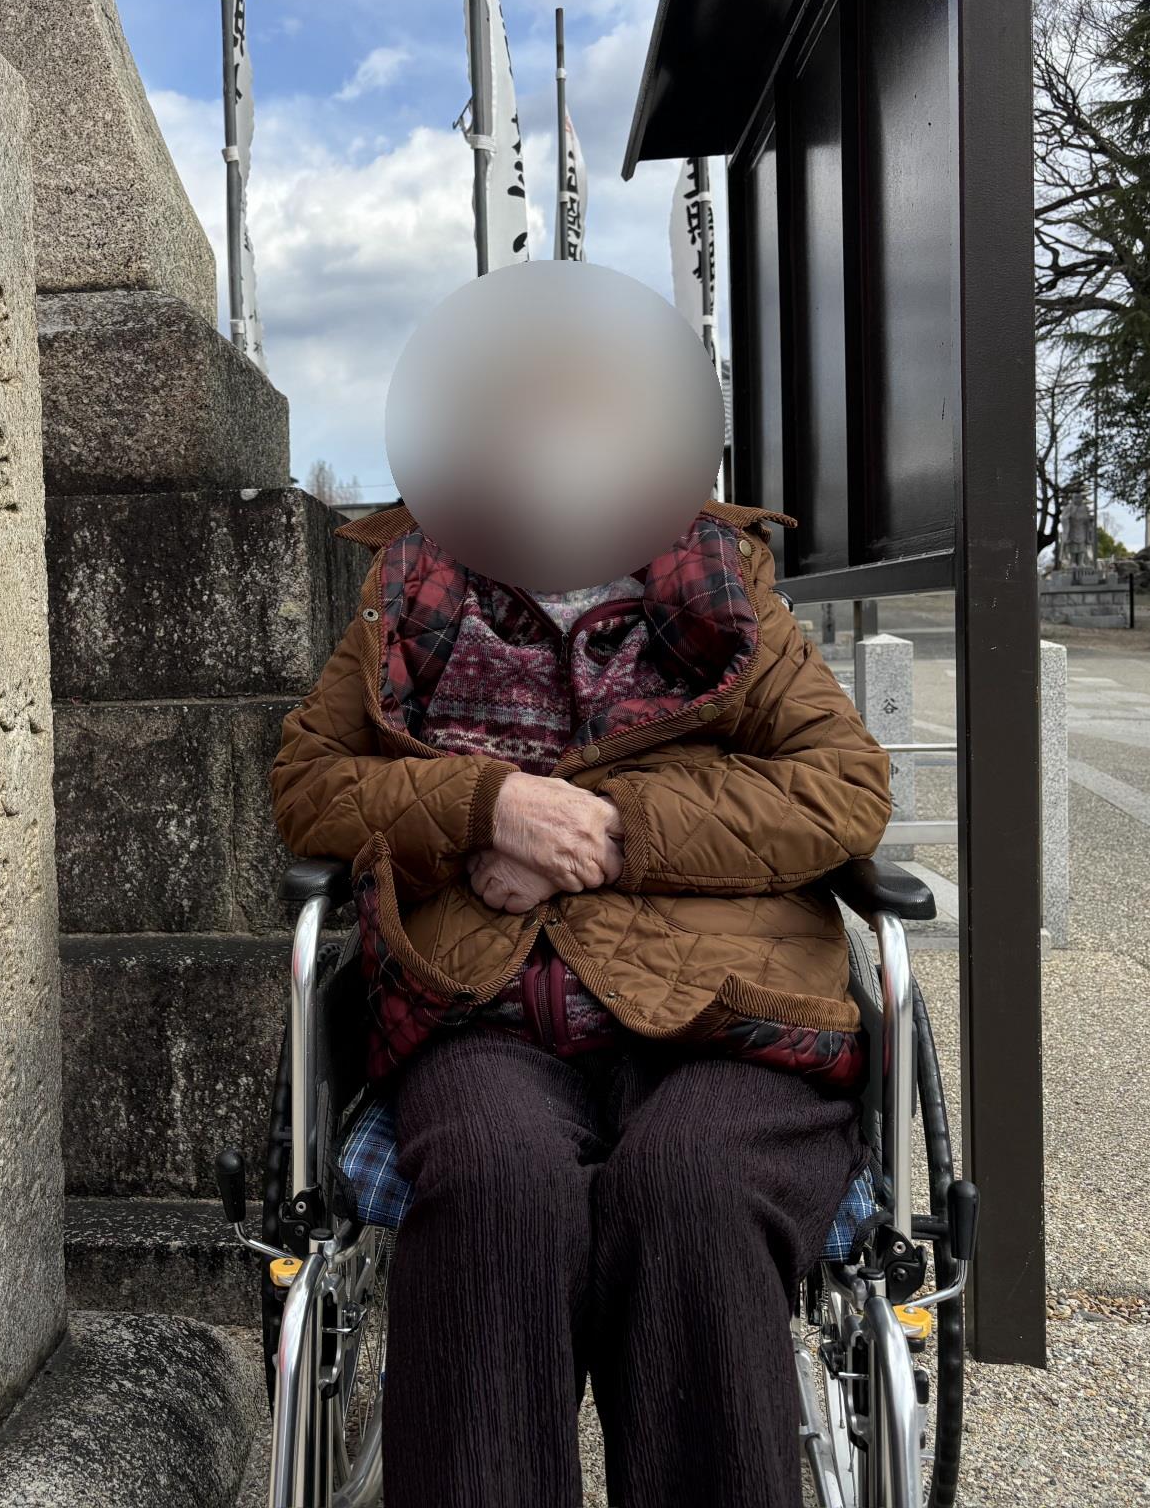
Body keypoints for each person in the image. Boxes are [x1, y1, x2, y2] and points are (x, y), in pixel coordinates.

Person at [269, 263, 892, 1508]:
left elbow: (842, 788)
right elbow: (310, 783)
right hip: (485, 1004)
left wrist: (608, 830)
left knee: (695, 1189)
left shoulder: (724, 593)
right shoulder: (411, 593)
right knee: (494, 1184)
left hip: (726, 1003)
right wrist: (484, 805)